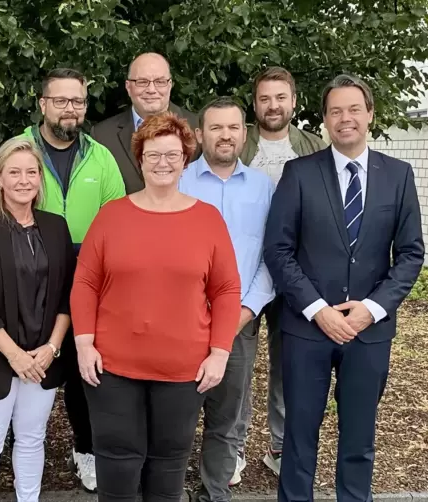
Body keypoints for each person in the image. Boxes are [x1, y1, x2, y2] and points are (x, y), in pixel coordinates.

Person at [264, 75, 424, 502]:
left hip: (368, 332)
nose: (345, 118)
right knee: (298, 438)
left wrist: (372, 308)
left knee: (359, 438)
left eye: (354, 109)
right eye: (335, 111)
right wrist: (319, 309)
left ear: (370, 114)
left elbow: (410, 254)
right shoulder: (298, 174)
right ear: (324, 120)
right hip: (307, 329)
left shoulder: (399, 175)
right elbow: (278, 251)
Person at [71, 112, 241, 502]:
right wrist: (83, 343)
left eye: (172, 155)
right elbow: (85, 283)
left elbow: (228, 290)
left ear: (185, 160)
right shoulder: (112, 215)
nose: (163, 163)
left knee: (168, 467)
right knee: (117, 466)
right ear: (140, 160)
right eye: (153, 155)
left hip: (183, 371)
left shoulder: (207, 219)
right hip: (112, 368)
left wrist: (219, 353)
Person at [18, 67, 125, 493]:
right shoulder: (18, 150)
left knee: (84, 372)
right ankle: (21, 450)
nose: (70, 109)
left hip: (86, 275)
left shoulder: (101, 157)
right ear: (43, 104)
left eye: (77, 101)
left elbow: (116, 222)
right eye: (60, 100)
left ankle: (86, 450)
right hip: (25, 274)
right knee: (25, 363)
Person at [0, 137, 76, 502]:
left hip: (43, 357)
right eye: (14, 172)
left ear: (40, 179)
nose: (24, 180)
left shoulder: (56, 227)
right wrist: (14, 355)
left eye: (31, 172)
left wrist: (52, 348)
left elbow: (66, 296)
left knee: (31, 438)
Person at [178, 97, 275, 498]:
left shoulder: (263, 187)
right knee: (177, 414)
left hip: (239, 322)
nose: (225, 135)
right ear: (200, 134)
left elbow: (273, 256)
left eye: (233, 127)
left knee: (225, 418)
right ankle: (168, 488)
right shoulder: (179, 181)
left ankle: (214, 491)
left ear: (244, 133)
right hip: (181, 323)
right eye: (216, 128)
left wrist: (246, 310)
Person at [238, 66, 328, 478]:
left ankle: (280, 447)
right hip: (247, 270)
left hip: (296, 274)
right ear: (254, 104)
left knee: (288, 366)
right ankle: (232, 450)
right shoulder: (240, 143)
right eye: (263, 98)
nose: (272, 106)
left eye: (280, 98)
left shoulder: (312, 147)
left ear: (293, 101)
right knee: (237, 365)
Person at [91, 52, 199, 194]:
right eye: (142, 82)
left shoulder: (198, 128)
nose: (151, 90)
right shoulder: (102, 136)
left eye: (160, 82)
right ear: (128, 87)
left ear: (170, 85)